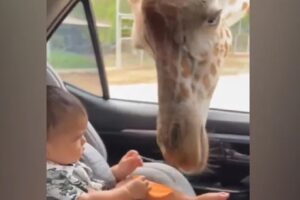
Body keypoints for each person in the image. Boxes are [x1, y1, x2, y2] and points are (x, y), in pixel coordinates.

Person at [46, 85, 230, 200]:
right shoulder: (48, 178)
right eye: (76, 138)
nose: (85, 142)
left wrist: (118, 171)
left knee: (146, 185)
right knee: (139, 189)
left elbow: (93, 182)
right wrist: (125, 194)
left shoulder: (64, 159)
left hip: (108, 194)